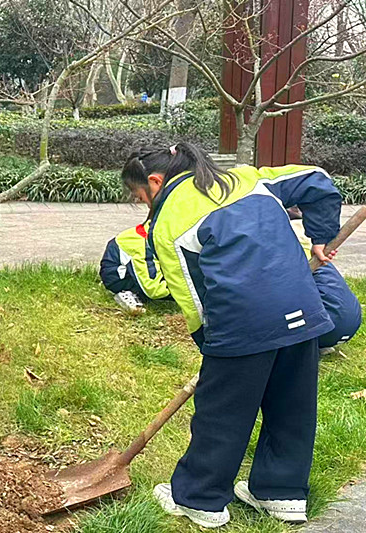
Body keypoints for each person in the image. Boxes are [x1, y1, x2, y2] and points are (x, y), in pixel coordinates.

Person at [121, 143, 342, 528]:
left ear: (155, 181)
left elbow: (192, 299)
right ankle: (282, 494)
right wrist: (320, 236)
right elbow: (317, 181)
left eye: (142, 198)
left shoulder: (169, 221)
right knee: (292, 406)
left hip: (242, 322)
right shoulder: (247, 178)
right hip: (304, 309)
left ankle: (199, 498)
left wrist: (211, 350)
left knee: (221, 413)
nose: (145, 206)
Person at [99, 224, 360, 349]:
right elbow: (153, 288)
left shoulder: (152, 237)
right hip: (340, 316)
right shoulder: (140, 243)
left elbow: (156, 289)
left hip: (326, 318)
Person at [99, 221, 170, 314]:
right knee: (150, 289)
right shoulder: (143, 246)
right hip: (119, 277)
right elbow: (154, 289)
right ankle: (127, 293)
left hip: (132, 263)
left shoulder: (155, 232)